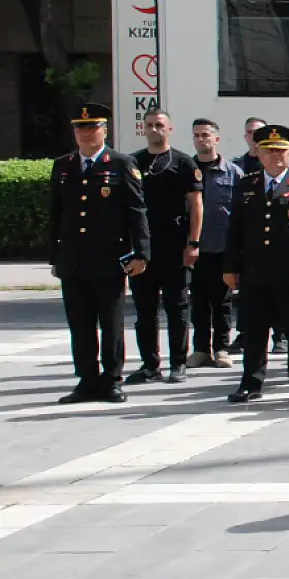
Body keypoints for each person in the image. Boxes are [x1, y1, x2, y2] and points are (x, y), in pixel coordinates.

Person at [52, 103, 150, 404]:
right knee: (79, 323)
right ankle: (87, 379)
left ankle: (111, 379)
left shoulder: (120, 163)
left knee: (110, 322)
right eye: (80, 128)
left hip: (108, 258)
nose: (85, 134)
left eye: (91, 128)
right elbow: (56, 213)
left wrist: (141, 253)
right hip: (73, 258)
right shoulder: (64, 165)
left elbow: (136, 210)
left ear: (104, 131)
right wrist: (54, 256)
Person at [224, 126, 289, 403]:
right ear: (259, 154)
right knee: (254, 330)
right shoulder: (247, 185)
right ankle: (251, 383)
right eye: (270, 151)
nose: (276, 156)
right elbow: (235, 229)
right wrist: (230, 266)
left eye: (281, 151)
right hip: (255, 270)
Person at [127, 109, 203, 385]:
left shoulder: (182, 162)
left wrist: (193, 243)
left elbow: (196, 206)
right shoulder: (133, 162)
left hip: (175, 246)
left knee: (177, 306)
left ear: (169, 129)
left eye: (159, 125)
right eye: (149, 125)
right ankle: (149, 364)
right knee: (144, 309)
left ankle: (178, 363)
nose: (154, 129)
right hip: (143, 249)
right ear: (143, 129)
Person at [187, 119, 241, 369]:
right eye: (197, 135)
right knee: (197, 301)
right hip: (195, 248)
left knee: (223, 302)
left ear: (216, 139)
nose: (201, 139)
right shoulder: (186, 169)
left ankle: (221, 347)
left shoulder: (232, 172)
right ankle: (200, 349)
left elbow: (241, 213)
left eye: (206, 135)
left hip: (223, 247)